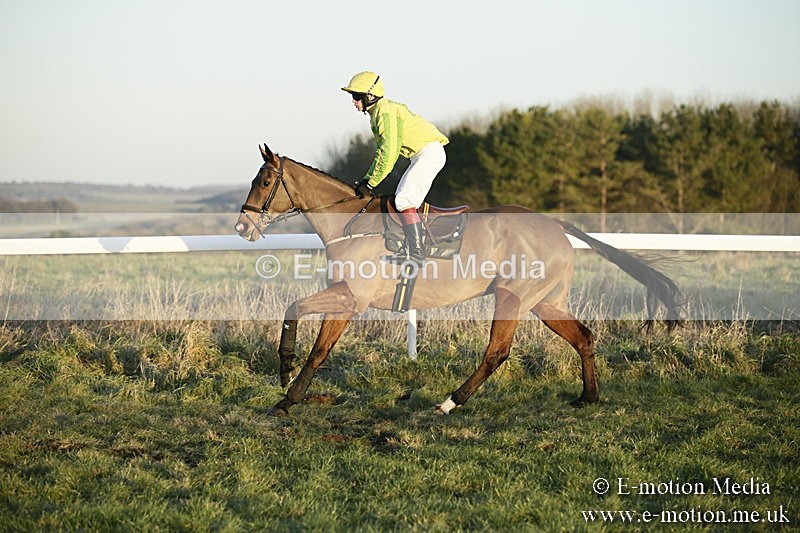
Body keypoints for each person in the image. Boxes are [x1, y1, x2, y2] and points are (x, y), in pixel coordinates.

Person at [342, 71, 449, 263]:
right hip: (421, 155)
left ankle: (416, 252)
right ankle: (410, 247)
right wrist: (368, 179)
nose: (353, 101)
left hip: (428, 154)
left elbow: (389, 152)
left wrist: (371, 183)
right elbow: (381, 153)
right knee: (401, 200)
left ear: (370, 96)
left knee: (404, 200)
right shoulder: (378, 113)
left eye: (356, 96)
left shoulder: (385, 112)